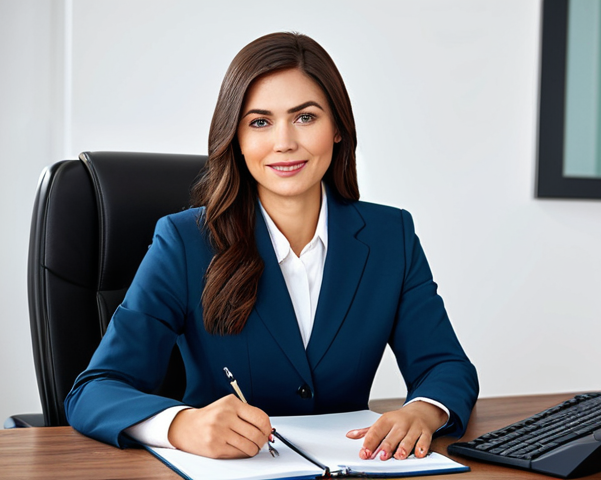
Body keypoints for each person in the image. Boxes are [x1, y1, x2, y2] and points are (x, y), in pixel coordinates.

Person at [65, 31, 478, 462]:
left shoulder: (390, 235)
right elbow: (94, 391)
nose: (284, 142)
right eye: (260, 122)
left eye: (305, 117)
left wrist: (424, 411)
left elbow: (446, 366)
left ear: (337, 128)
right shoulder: (184, 242)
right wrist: (181, 424)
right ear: (237, 139)